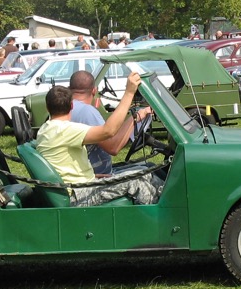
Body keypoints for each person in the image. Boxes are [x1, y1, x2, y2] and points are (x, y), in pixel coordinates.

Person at [37, 74, 162, 206]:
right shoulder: (65, 129)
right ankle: (163, 215)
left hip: (79, 187)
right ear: (72, 106)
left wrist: (93, 177)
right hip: (79, 194)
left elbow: (62, 166)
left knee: (145, 174)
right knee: (136, 181)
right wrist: (129, 92)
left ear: (47, 107)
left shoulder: (45, 130)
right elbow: (109, 131)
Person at [68, 69, 143, 176]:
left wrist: (136, 117)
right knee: (150, 173)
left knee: (145, 166)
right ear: (94, 91)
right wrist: (130, 94)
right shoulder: (87, 112)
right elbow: (113, 147)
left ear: (69, 89)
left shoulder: (67, 109)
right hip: (96, 180)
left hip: (88, 175)